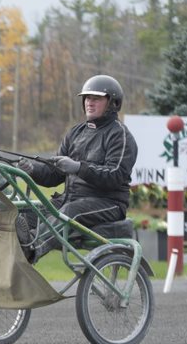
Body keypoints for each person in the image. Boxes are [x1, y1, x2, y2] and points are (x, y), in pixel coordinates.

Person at [15, 75, 138, 263]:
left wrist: (78, 168)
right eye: (87, 98)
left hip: (108, 203)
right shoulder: (75, 132)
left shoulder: (120, 135)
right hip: (70, 199)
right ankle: (15, 252)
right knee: (27, 210)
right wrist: (32, 169)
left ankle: (33, 248)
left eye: (96, 98)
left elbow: (115, 175)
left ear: (113, 103)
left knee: (70, 211)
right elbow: (54, 174)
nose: (89, 102)